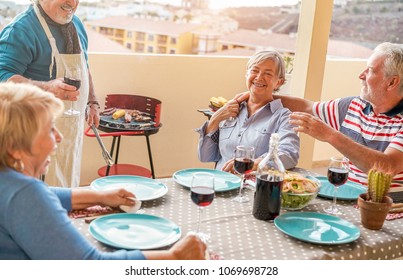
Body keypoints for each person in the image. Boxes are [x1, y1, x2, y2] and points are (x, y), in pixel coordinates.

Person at [0, 82, 206, 260]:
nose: (59, 136)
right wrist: (174, 257)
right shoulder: (24, 194)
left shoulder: (11, 184)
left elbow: (44, 196)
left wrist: (99, 196)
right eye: (49, 129)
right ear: (16, 148)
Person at [0, 0, 100, 188]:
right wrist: (46, 88)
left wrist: (92, 101)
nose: (72, 2)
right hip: (34, 139)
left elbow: (83, 67)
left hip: (70, 133)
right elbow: (3, 78)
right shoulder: (21, 30)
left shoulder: (77, 25)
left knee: (67, 189)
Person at [275, 42, 403, 186]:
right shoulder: (352, 106)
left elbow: (387, 168)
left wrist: (330, 135)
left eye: (371, 70)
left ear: (392, 82)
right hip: (349, 201)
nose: (361, 75)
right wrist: (258, 97)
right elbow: (306, 106)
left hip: (389, 207)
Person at [196, 49, 300, 172]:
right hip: (221, 183)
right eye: (255, 70)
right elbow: (205, 156)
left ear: (279, 82)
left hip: (253, 187)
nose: (259, 77)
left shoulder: (284, 118)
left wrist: (253, 164)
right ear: (246, 74)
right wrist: (215, 119)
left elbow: (289, 155)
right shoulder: (229, 110)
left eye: (268, 74)